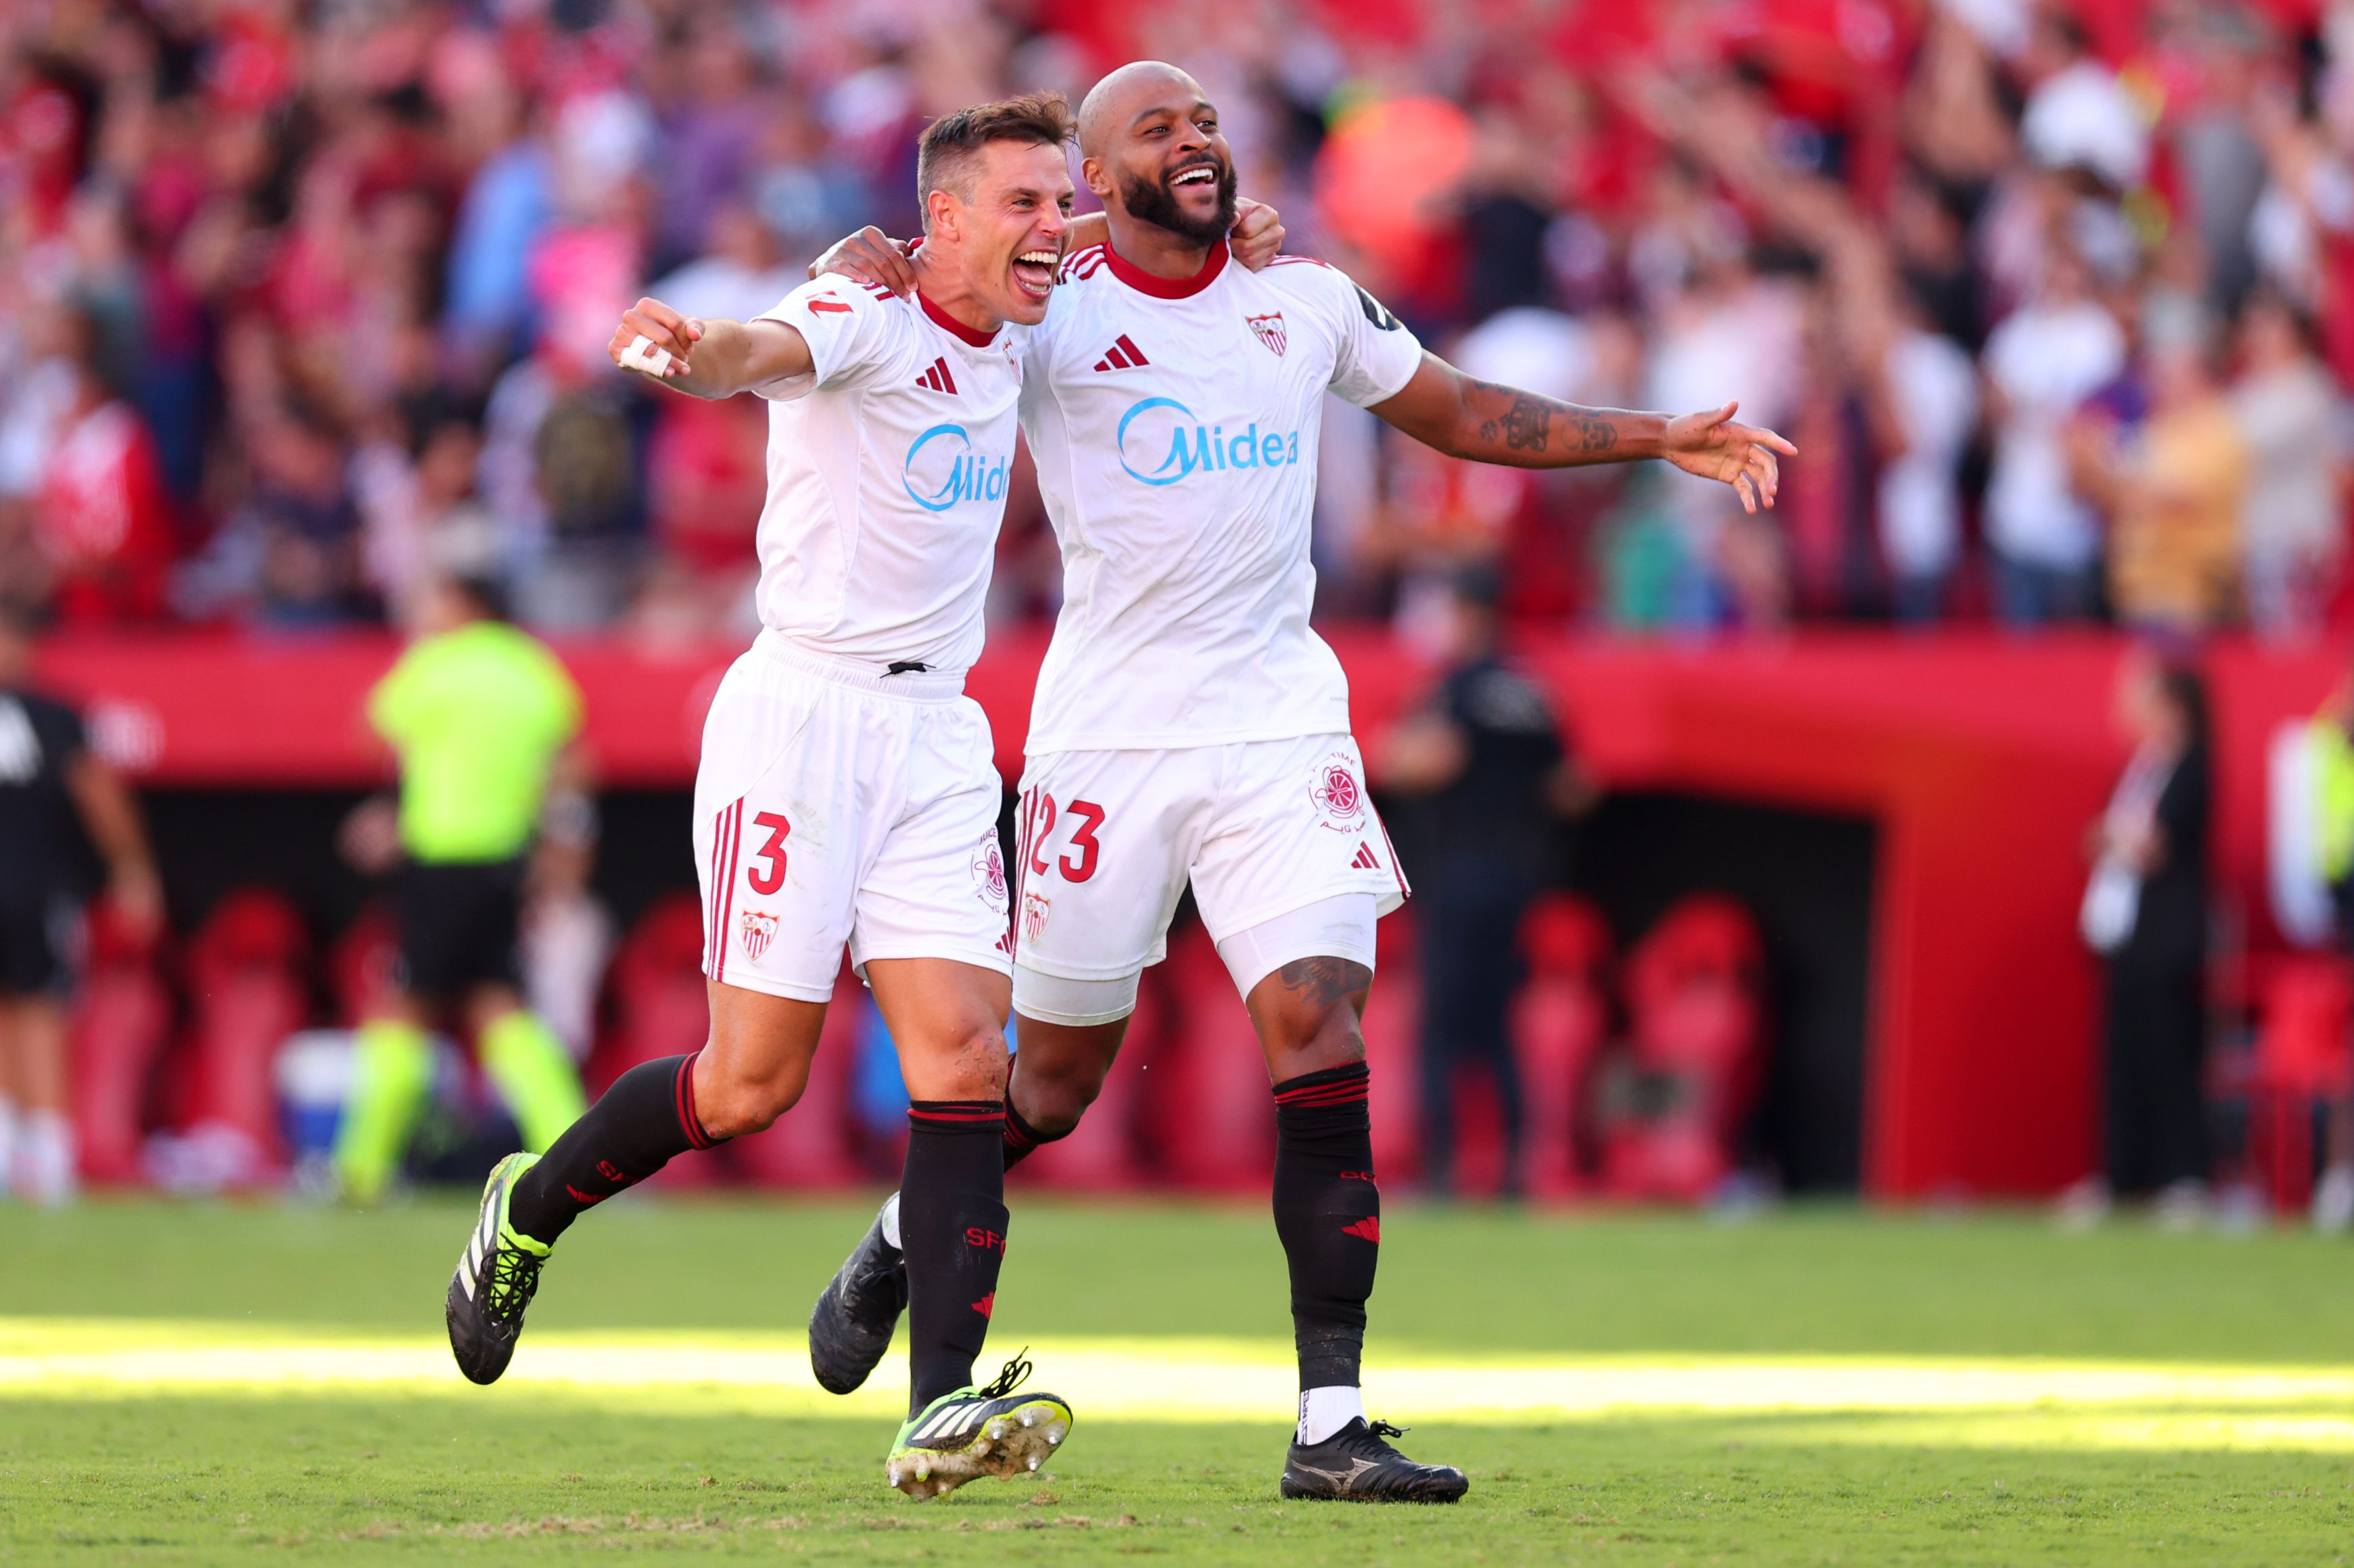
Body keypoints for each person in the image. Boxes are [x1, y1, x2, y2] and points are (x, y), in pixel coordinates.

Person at [805, 60, 1791, 1504]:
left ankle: (1331, 1420)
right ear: (1093, 175)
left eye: (1205, 122)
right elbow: (864, 283)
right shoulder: (1050, 309)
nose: (1196, 140)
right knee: (1058, 1082)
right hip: (1106, 740)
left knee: (1318, 1022)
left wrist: (1656, 435)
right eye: (1158, 128)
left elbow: (1461, 412)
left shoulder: (1306, 299)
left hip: (1279, 727)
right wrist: (986, 242)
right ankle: (907, 1228)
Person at [441, 95, 1148, 1501]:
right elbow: (764, 346)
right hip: (803, 718)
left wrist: (1235, 227)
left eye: (1060, 201)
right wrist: (697, 354)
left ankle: (938, 1404)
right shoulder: (862, 307)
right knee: (749, 1082)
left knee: (962, 1060)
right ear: (941, 219)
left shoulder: (1021, 314)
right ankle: (526, 1207)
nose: (1054, 228)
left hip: (939, 729)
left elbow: (1167, 268)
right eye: (1023, 203)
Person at [335, 571, 592, 1204]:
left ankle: (358, 1172)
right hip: (504, 862)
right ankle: (581, 1161)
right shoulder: (534, 667)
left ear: (466, 605)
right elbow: (573, 764)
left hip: (438, 859)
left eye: (434, 598)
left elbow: (368, 733)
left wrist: (397, 806)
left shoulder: (434, 662)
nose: (423, 610)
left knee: (404, 1008)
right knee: (499, 1006)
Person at [1376, 565, 1595, 1198]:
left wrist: (1392, 750)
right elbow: (1571, 787)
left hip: (1455, 875)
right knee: (1499, 1025)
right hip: (1516, 880)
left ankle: (1440, 1167)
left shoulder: (1456, 689)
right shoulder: (1534, 689)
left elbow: (1429, 760)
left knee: (1441, 1027)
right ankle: (1514, 1170)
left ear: (1469, 613)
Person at [0, 602, 163, 1202]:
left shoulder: (51, 715)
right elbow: (102, 795)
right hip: (34, 890)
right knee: (34, 1005)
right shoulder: (53, 716)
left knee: (39, 1006)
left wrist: (131, 869)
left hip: (36, 889)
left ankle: (43, 1148)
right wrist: (133, 868)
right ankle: (33, 1148)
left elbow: (98, 794)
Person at [2067, 650, 2212, 1227]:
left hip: (2169, 938)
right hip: (2123, 933)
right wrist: (2118, 838)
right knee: (2121, 1059)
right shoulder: (2137, 768)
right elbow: (2096, 839)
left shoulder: (2194, 766)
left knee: (2169, 1056)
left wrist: (2119, 837)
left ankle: (2185, 1177)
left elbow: (2153, 847)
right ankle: (2120, 1177)